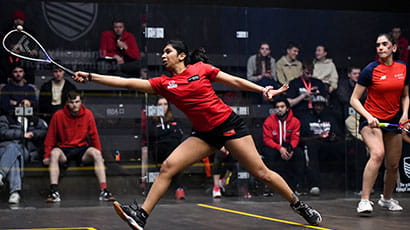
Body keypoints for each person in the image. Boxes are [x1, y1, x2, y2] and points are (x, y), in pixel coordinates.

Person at [72, 40, 322, 229]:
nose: (163, 55)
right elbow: (127, 83)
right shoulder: (164, 84)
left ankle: (300, 206)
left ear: (181, 55)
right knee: (169, 165)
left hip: (229, 126)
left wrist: (262, 90)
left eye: (168, 51)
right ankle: (141, 216)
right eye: (162, 52)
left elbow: (233, 81)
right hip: (205, 134)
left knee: (262, 174)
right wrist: (92, 76)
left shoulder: (201, 69)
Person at [350, 33, 409, 214]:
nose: (381, 48)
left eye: (384, 44)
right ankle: (364, 201)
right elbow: (354, 99)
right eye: (378, 45)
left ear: (393, 47)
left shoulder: (404, 68)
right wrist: (368, 116)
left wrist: (405, 115)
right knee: (377, 154)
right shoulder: (370, 70)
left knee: (392, 165)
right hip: (372, 121)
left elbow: (405, 95)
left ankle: (387, 199)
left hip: (393, 122)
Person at [42, 91, 115, 203]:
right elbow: (50, 137)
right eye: (71, 102)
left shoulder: (88, 114)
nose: (74, 105)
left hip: (81, 148)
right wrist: (46, 155)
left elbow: (94, 135)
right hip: (64, 149)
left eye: (77, 102)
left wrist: (99, 153)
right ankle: (54, 192)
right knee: (54, 153)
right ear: (67, 103)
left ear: (81, 102)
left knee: (96, 154)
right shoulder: (58, 115)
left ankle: (104, 190)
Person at [0, 98, 48, 204]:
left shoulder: (35, 120)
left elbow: (45, 131)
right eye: (22, 105)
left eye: (27, 106)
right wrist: (21, 134)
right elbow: (2, 132)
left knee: (16, 150)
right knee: (14, 152)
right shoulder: (6, 118)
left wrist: (33, 134)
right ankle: (15, 193)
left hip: (25, 150)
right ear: (17, 106)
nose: (24, 108)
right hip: (4, 150)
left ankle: (1, 175)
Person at [298, 95, 344, 196]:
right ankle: (315, 185)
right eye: (316, 105)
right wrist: (317, 137)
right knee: (311, 148)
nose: (318, 108)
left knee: (346, 146)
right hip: (313, 145)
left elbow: (339, 136)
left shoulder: (330, 118)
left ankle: (351, 184)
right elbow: (300, 138)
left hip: (329, 146)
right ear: (312, 106)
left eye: (321, 106)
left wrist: (334, 137)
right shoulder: (306, 118)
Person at [145, 96, 186, 200]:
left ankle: (179, 188)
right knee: (173, 149)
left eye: (165, 104)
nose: (163, 107)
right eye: (160, 105)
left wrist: (165, 133)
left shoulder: (174, 120)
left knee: (176, 152)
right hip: (158, 151)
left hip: (173, 152)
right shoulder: (152, 122)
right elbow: (153, 135)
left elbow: (179, 135)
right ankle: (178, 187)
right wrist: (169, 132)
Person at [262, 97, 305, 193]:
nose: (280, 109)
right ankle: (268, 186)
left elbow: (295, 138)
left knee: (299, 154)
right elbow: (267, 139)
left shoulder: (295, 121)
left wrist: (291, 149)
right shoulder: (269, 121)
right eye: (277, 107)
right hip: (274, 145)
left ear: (287, 108)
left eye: (282, 107)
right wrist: (279, 148)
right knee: (269, 154)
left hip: (288, 145)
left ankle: (299, 184)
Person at [0, 10, 38, 84]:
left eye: (20, 19)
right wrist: (11, 49)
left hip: (25, 64)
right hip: (8, 65)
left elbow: (34, 50)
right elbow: (3, 47)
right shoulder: (6, 32)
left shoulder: (29, 33)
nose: (18, 21)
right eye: (16, 19)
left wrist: (33, 52)